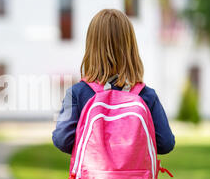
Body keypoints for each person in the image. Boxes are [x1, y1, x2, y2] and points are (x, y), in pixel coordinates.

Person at [52, 9, 175, 157]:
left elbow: (62, 140)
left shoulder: (77, 93)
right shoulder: (146, 95)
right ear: (130, 48)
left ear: (91, 47)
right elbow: (166, 144)